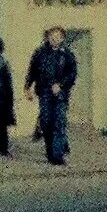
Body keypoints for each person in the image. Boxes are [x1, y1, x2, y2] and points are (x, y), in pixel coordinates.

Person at [25, 27, 78, 166]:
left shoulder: (67, 54)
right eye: (51, 37)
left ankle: (58, 154)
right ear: (48, 38)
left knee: (59, 122)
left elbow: (72, 73)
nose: (54, 40)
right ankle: (50, 151)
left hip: (61, 93)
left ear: (62, 39)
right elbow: (32, 70)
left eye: (57, 37)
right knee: (46, 121)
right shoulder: (40, 53)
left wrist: (60, 85)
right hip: (44, 92)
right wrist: (27, 87)